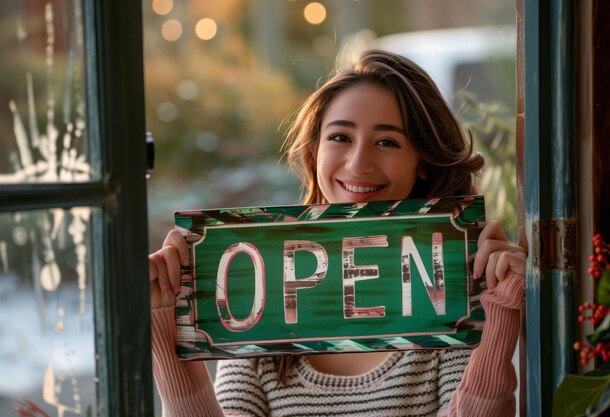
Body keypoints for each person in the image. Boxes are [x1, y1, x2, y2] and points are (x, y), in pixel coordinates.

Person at [149, 49, 526, 417]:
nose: (359, 162)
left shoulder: (451, 295)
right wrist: (164, 319)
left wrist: (503, 308)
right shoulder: (257, 291)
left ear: (424, 162)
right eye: (340, 137)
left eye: (387, 142)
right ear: (314, 153)